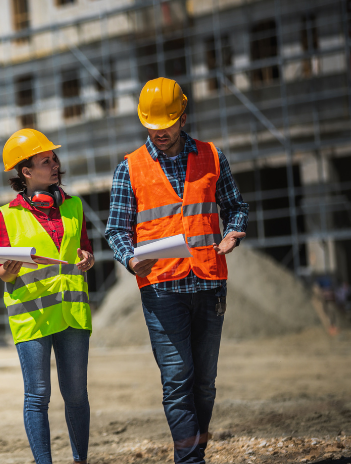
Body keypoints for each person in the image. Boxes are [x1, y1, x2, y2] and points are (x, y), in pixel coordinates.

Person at [105, 77, 249, 464]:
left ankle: (194, 451)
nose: (158, 132)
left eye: (165, 124)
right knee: (177, 380)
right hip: (161, 290)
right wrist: (130, 258)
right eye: (150, 125)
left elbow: (236, 205)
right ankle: (191, 461)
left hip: (208, 282)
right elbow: (116, 230)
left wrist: (234, 232)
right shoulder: (129, 168)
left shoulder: (212, 156)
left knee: (204, 383)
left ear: (183, 117)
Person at [0, 128, 95, 464]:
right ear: (26, 172)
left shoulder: (75, 207)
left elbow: (85, 253)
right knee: (37, 396)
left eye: (54, 158)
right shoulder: (8, 215)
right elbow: (4, 274)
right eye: (45, 160)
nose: (55, 164)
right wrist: (8, 267)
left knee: (77, 396)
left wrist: (87, 259)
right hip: (32, 317)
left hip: (71, 314)